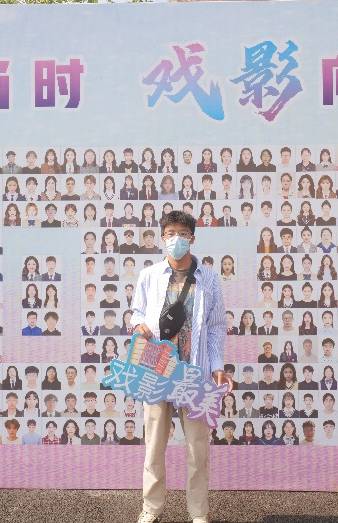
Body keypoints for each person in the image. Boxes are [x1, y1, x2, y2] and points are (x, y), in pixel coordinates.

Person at [133, 211, 228, 523]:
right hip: (156, 371)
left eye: (183, 233)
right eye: (171, 233)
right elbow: (136, 313)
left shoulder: (208, 278)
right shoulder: (149, 276)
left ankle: (198, 512)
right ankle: (151, 508)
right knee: (153, 447)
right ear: (163, 237)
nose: (177, 239)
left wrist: (217, 365)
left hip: (195, 373)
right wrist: (138, 326)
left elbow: (216, 326)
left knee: (197, 449)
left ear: (192, 238)